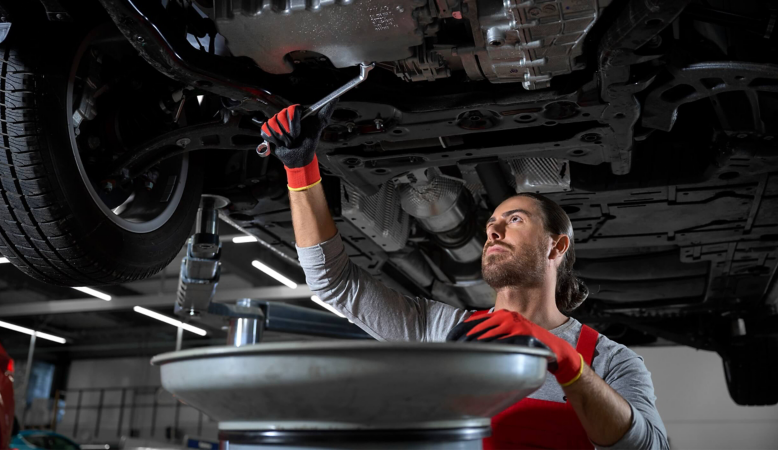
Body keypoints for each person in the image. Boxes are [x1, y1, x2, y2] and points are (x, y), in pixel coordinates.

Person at [260, 103, 669, 449]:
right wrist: (300, 170)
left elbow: (651, 446)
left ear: (556, 247)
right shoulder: (436, 329)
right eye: (492, 222)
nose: (493, 229)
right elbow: (334, 282)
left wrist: (570, 367)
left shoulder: (609, 360)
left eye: (515, 219)